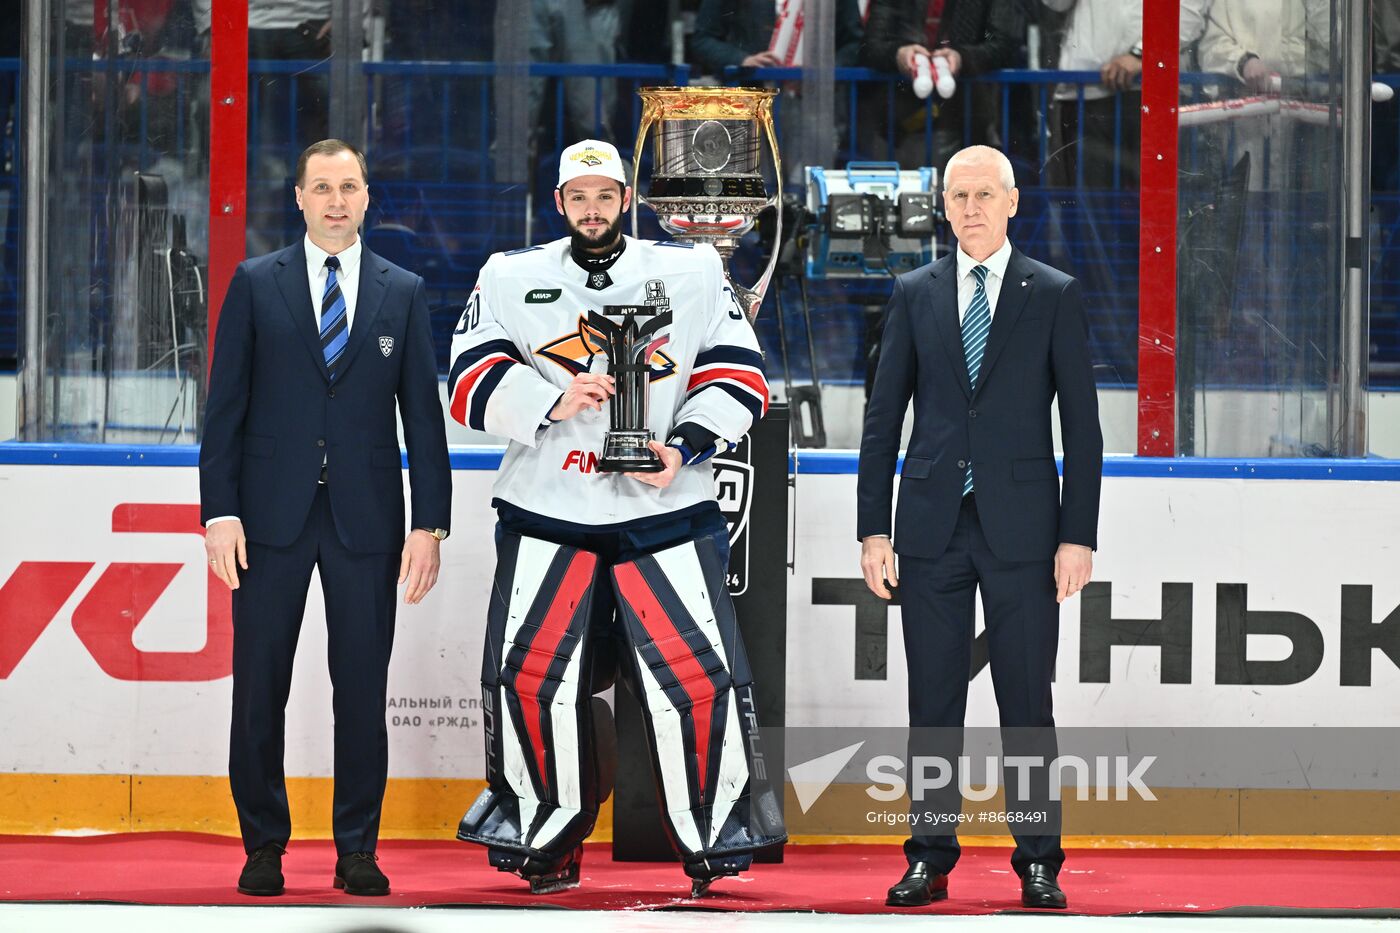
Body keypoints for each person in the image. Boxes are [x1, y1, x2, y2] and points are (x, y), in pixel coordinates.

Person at [449, 139, 783, 897]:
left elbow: (739, 370)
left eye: (606, 194)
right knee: (530, 677)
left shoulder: (693, 270)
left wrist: (686, 447)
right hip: (548, 510)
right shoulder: (510, 275)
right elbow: (467, 381)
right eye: (579, 196)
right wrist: (546, 400)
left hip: (663, 508)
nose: (593, 208)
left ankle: (714, 837)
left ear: (626, 199)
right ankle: (545, 834)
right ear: (560, 203)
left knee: (698, 677)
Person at [199, 139, 452, 898]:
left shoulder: (401, 291)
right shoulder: (253, 283)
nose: (336, 200)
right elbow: (225, 413)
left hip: (367, 520)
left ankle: (357, 850)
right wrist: (220, 512)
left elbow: (424, 423)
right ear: (299, 198)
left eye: (349, 186)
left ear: (368, 197)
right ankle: (263, 845)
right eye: (322, 187)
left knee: (360, 691)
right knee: (259, 689)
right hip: (268, 519)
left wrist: (429, 524)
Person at [856, 145, 1103, 909]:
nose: (970, 207)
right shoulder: (914, 291)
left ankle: (1038, 860)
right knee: (933, 703)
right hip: (929, 528)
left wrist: (1078, 534)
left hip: (1027, 530)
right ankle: (929, 856)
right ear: (944, 203)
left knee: (1026, 699)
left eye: (984, 194)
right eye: (958, 195)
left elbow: (1084, 429)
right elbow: (880, 421)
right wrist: (873, 529)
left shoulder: (1053, 293)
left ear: (1013, 201)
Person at [861, 0, 1025, 169]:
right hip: (895, 118)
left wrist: (962, 58)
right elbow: (871, 45)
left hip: (962, 114)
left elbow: (1005, 45)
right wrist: (898, 54)